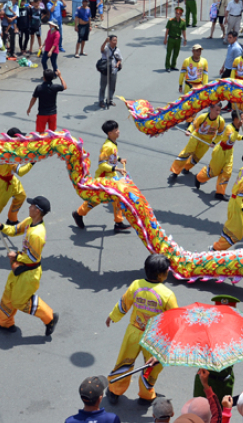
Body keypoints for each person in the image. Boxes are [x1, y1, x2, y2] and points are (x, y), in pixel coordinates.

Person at [106, 254, 178, 406]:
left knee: (124, 361)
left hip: (133, 331)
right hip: (154, 338)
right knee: (151, 367)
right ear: (160, 274)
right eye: (167, 270)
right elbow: (174, 321)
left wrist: (112, 316)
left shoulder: (136, 285)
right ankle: (146, 395)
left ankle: (114, 390)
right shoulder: (167, 295)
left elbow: (124, 304)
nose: (168, 272)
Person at [0, 195, 59, 336]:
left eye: (32, 206)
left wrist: (16, 256)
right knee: (8, 295)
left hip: (29, 273)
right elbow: (15, 230)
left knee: (19, 301)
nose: (29, 207)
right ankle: (6, 324)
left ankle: (50, 318)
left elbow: (33, 257)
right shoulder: (29, 221)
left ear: (37, 211)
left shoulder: (37, 235)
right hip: (20, 267)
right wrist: (1, 226)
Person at [72, 120, 131, 233]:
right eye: (116, 130)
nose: (118, 132)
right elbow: (102, 164)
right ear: (110, 133)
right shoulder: (107, 146)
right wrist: (117, 168)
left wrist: (119, 159)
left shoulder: (112, 144)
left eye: (117, 129)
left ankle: (118, 222)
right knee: (98, 198)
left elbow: (112, 156)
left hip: (112, 176)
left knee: (116, 197)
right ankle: (79, 213)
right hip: (105, 178)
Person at [211, 151, 243, 251]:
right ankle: (215, 249)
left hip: (242, 203)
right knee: (234, 234)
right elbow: (238, 198)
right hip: (237, 206)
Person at [194, 110, 243, 199]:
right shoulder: (229, 128)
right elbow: (232, 138)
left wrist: (242, 138)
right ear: (236, 119)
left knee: (227, 172)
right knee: (214, 172)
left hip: (229, 152)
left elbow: (236, 136)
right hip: (220, 152)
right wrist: (238, 129)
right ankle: (199, 178)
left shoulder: (234, 127)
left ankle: (220, 193)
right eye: (242, 118)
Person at [168, 103, 225, 181]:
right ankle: (175, 172)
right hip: (196, 136)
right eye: (216, 110)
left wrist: (214, 142)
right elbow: (193, 125)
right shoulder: (203, 117)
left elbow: (220, 134)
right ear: (211, 109)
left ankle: (187, 168)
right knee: (186, 153)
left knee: (197, 157)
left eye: (219, 110)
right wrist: (189, 130)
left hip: (206, 141)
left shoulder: (220, 121)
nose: (218, 112)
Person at [98, 35, 122, 109]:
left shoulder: (117, 50)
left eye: (116, 40)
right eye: (114, 40)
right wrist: (105, 41)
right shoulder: (106, 48)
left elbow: (119, 59)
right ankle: (101, 100)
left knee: (112, 86)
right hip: (105, 70)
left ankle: (110, 100)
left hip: (113, 70)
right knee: (103, 86)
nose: (115, 42)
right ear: (110, 41)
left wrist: (118, 64)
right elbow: (101, 49)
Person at [164, 7, 187, 71]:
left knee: (176, 53)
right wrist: (165, 39)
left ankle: (173, 65)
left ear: (181, 14)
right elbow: (167, 30)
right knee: (169, 53)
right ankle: (167, 66)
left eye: (179, 14)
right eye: (176, 13)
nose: (177, 15)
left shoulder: (183, 22)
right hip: (171, 39)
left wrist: (185, 39)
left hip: (178, 39)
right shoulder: (171, 21)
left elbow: (183, 31)